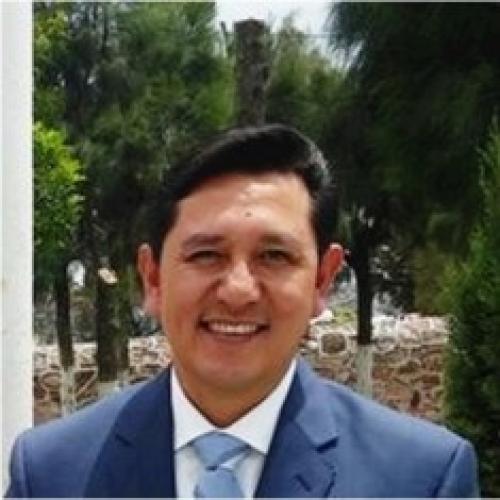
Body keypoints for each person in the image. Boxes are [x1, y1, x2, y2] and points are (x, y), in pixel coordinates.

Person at [6, 124, 478, 498]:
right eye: (206, 255)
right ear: (152, 279)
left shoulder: (420, 478)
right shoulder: (52, 473)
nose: (237, 291)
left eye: (274, 256)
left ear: (322, 280)